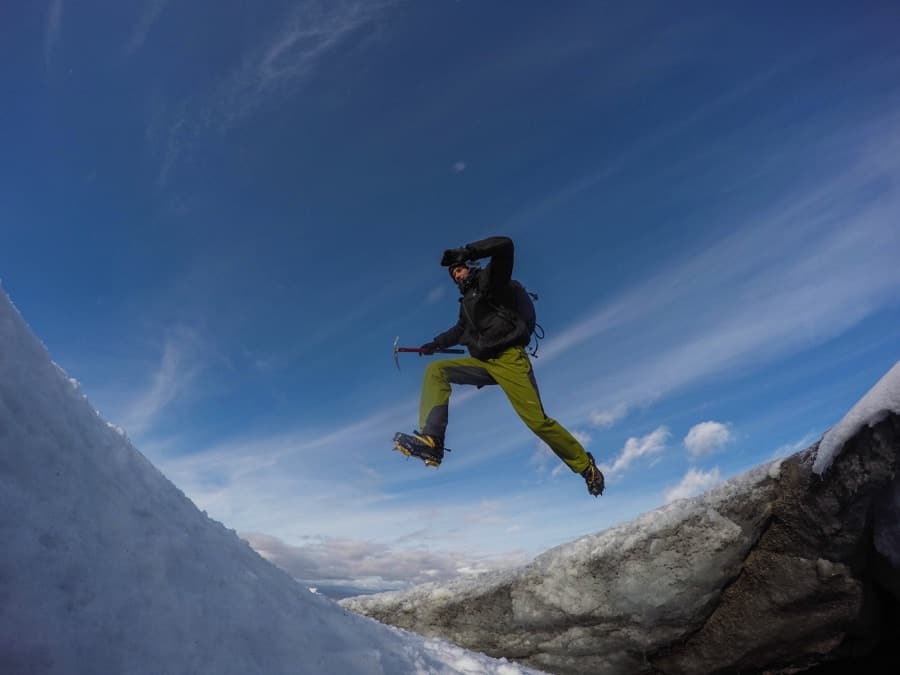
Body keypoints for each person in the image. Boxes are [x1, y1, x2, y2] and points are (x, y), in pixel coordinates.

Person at [394, 235, 604, 497]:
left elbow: (506, 245)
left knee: (537, 422)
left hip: (509, 359)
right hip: (483, 363)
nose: (457, 275)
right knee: (436, 371)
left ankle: (585, 466)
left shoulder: (491, 281)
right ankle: (432, 441)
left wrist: (466, 252)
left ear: (468, 267)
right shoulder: (466, 305)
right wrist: (432, 346)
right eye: (453, 274)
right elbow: (459, 331)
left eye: (459, 269)